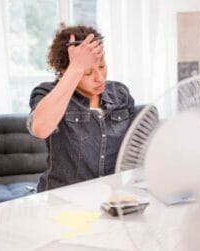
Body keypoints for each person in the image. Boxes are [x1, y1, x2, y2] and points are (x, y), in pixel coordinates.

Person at [27, 25, 135, 192]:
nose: (100, 78)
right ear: (65, 71)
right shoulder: (48, 93)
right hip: (62, 200)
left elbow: (135, 146)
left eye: (102, 66)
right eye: (87, 73)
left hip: (111, 200)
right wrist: (76, 67)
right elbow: (40, 129)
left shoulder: (120, 93)